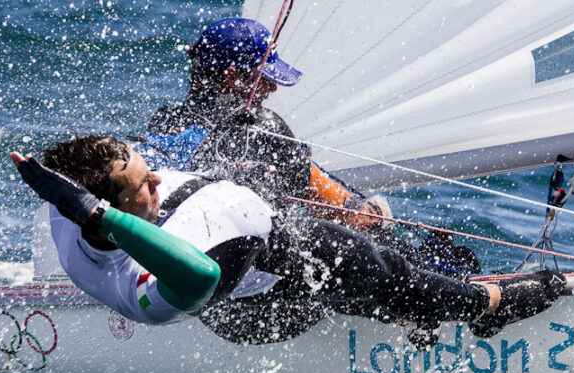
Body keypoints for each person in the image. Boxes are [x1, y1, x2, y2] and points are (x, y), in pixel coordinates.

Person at [10, 135, 566, 344]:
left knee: (326, 254)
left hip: (262, 263)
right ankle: (482, 306)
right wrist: (101, 214)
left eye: (147, 167)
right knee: (351, 257)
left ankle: (407, 311)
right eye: (142, 186)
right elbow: (199, 276)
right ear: (104, 216)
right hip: (252, 317)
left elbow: (86, 195)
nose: (156, 178)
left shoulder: (64, 197)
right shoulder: (136, 286)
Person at [146, 17, 395, 233]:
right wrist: (376, 213)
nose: (273, 86)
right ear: (233, 77)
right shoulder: (262, 127)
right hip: (244, 271)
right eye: (264, 75)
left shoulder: (165, 120)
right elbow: (346, 216)